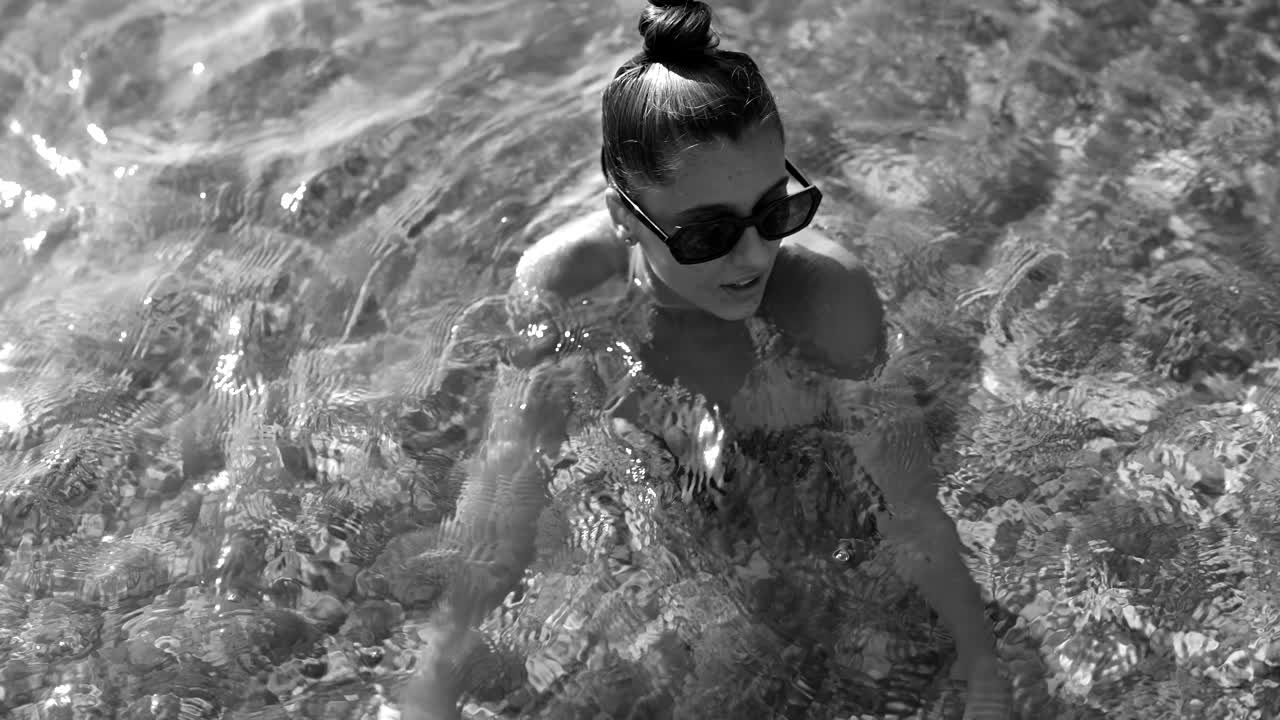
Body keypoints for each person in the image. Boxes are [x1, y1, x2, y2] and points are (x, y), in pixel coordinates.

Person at [403, 1, 1009, 718]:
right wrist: (439, 665)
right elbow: (508, 475)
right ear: (626, 216)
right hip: (661, 463)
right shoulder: (564, 284)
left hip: (804, 466)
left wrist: (980, 658)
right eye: (707, 234)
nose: (755, 256)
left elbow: (908, 503)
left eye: (774, 210)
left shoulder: (826, 300)